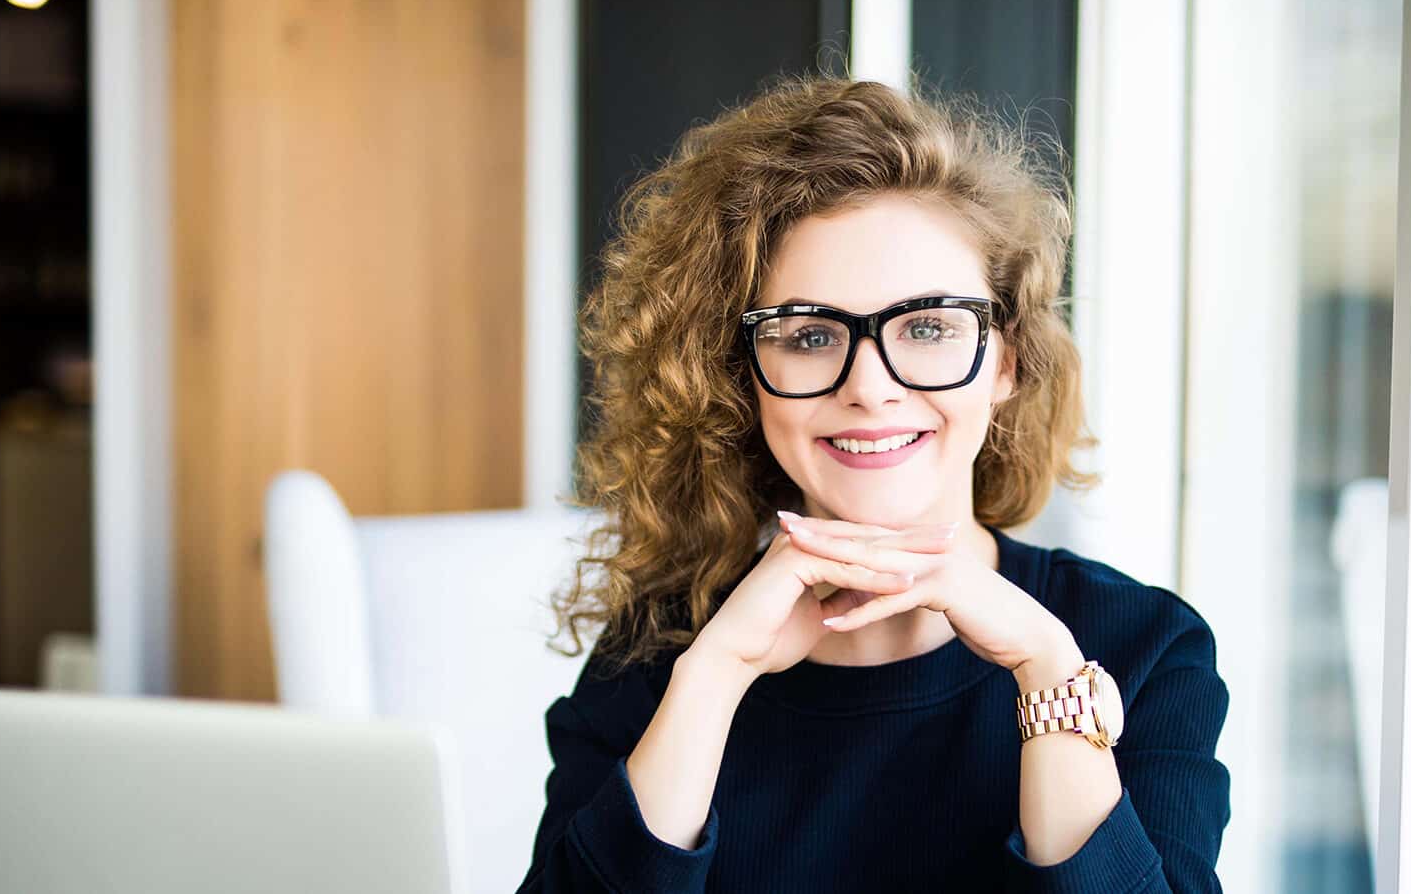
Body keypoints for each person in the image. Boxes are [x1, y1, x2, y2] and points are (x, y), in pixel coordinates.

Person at [515, 74, 1230, 893]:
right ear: (738, 375)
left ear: (1007, 360)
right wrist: (712, 681)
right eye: (809, 334)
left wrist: (1047, 676)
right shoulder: (661, 655)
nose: (870, 387)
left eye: (926, 327)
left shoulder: (1141, 648)